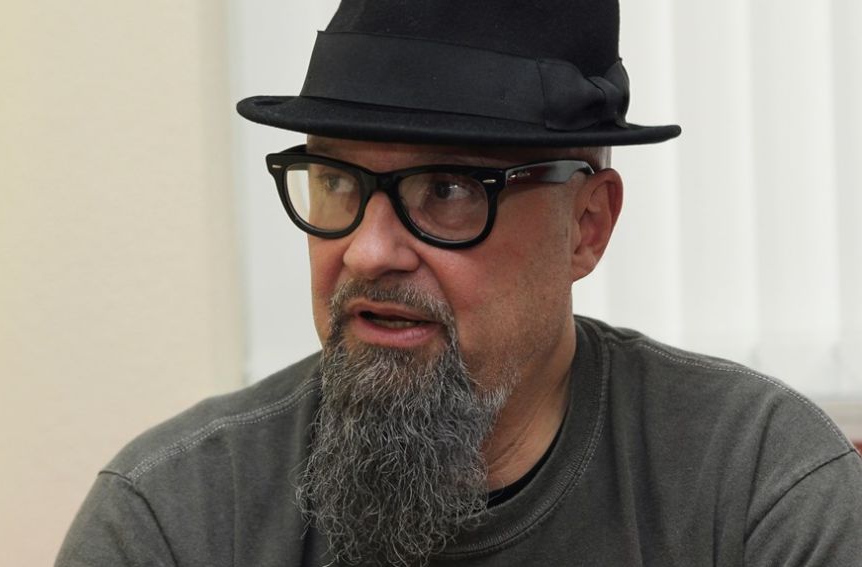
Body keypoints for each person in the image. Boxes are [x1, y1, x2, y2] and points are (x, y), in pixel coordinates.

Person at [56, 1, 862, 565]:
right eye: (334, 179)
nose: (367, 251)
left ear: (586, 225)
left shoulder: (753, 484)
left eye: (447, 189)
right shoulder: (178, 518)